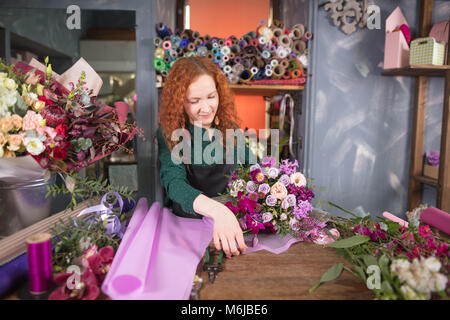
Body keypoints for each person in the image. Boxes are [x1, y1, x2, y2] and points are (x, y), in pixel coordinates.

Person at [157, 56, 253, 258]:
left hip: (232, 226)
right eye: (195, 101)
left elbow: (254, 170)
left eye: (211, 96)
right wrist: (217, 211)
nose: (206, 108)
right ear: (179, 101)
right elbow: (174, 183)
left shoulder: (231, 129)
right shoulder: (170, 133)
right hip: (189, 229)